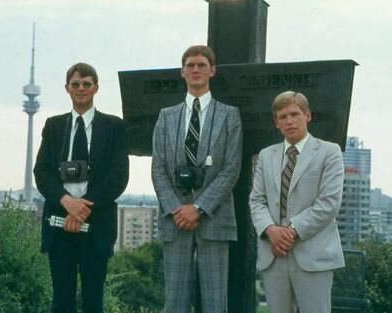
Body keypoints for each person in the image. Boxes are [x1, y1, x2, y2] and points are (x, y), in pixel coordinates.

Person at [151, 45, 242, 313]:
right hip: (175, 218)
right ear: (182, 71)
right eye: (190, 65)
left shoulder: (229, 115)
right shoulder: (166, 117)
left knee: (216, 303)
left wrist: (199, 208)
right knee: (175, 304)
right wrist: (178, 209)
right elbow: (158, 168)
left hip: (214, 217)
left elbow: (231, 168)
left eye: (201, 64)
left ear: (212, 71)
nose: (195, 69)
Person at [33, 62, 129, 313]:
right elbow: (41, 172)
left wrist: (82, 208)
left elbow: (118, 177)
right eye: (75, 84)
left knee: (93, 303)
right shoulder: (54, 126)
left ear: (96, 88)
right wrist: (66, 203)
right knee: (61, 302)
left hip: (96, 225)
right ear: (67, 88)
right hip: (58, 223)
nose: (81, 88)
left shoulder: (115, 127)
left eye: (87, 84)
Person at [250, 91, 345, 313]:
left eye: (294, 114)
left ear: (308, 115)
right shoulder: (266, 155)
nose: (289, 121)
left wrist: (291, 231)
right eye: (282, 117)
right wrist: (271, 230)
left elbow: (329, 203)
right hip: (274, 254)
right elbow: (256, 200)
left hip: (313, 254)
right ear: (276, 122)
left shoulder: (329, 152)